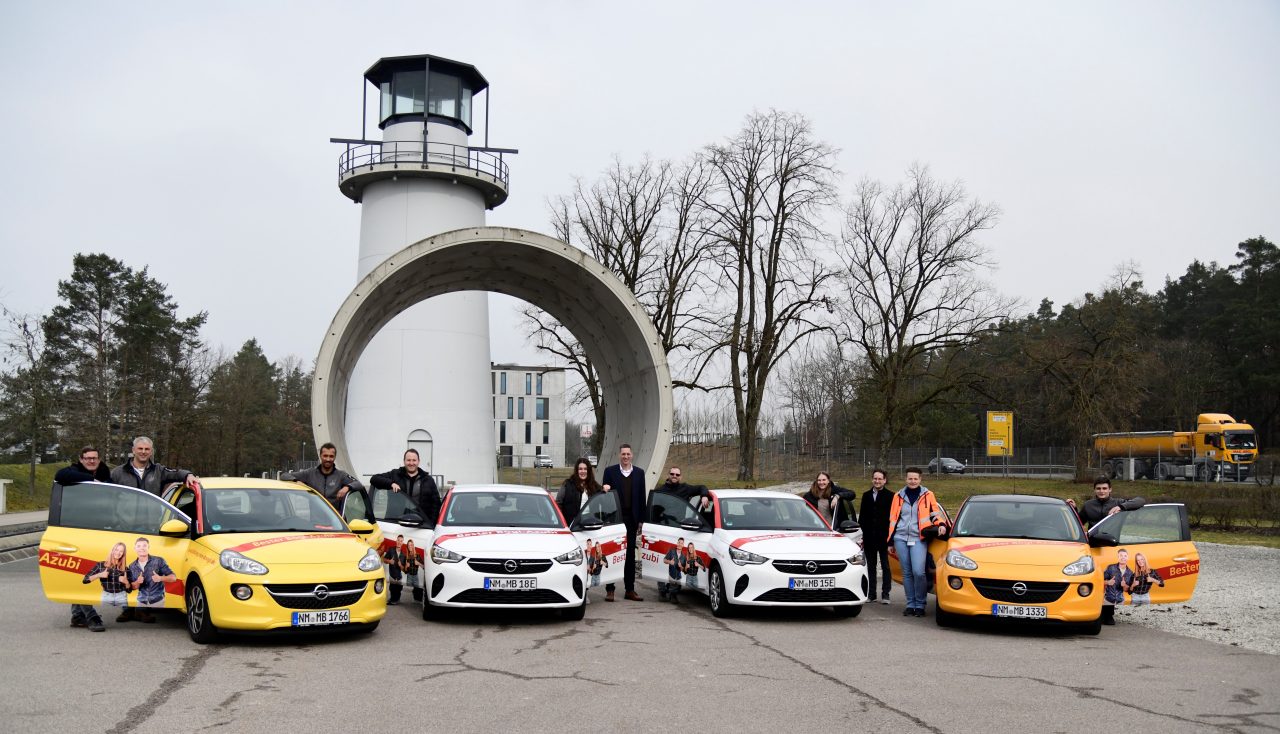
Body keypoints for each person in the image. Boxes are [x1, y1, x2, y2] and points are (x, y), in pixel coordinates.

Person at [55, 446, 113, 631]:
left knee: (85, 569)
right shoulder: (73, 472)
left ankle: (77, 615)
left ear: (99, 459)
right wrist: (92, 480)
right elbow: (60, 475)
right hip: (75, 528)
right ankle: (91, 616)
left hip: (97, 527)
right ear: (81, 459)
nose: (91, 461)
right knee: (83, 571)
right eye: (87, 458)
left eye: (94, 458)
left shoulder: (105, 473)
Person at [887, 467, 950, 618]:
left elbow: (935, 513)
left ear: (920, 479)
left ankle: (920, 604)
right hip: (900, 538)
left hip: (918, 538)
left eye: (915, 479)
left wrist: (941, 524)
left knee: (918, 572)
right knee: (907, 573)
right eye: (910, 478)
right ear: (906, 479)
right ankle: (910, 604)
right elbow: (893, 519)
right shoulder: (898, 496)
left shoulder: (928, 495)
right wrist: (890, 542)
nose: (912, 481)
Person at [601, 444, 647, 602]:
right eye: (623, 454)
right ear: (619, 455)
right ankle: (610, 589)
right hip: (615, 520)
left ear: (632, 455)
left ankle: (630, 589)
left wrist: (641, 519)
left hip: (632, 520)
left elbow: (642, 498)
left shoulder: (640, 473)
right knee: (613, 553)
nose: (626, 457)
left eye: (628, 454)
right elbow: (605, 497)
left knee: (629, 555)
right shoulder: (610, 472)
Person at [109, 436, 199, 496]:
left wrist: (188, 475)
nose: (143, 452)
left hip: (152, 523)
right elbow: (107, 496)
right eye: (140, 448)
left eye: (147, 449)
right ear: (133, 450)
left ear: (151, 452)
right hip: (125, 524)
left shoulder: (159, 471)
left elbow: (176, 473)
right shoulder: (118, 473)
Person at [370, 449, 440, 525]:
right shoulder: (395, 474)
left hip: (421, 526)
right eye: (408, 460)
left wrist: (431, 524)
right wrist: (391, 483)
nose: (411, 463)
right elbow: (374, 479)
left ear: (418, 461)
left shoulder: (428, 480)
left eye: (414, 460)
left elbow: (436, 505)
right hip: (396, 523)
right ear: (404, 461)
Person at [292, 442, 365, 508]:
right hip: (315, 520)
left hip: (334, 520)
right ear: (320, 456)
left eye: (331, 456)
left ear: (334, 457)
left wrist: (347, 487)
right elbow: (284, 476)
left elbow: (358, 484)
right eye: (325, 456)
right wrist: (296, 481)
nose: (328, 459)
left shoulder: (341, 475)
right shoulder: (310, 473)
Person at [77, 541, 129, 632]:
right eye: (116, 549)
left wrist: (126, 582)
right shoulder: (101, 565)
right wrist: (99, 575)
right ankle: (90, 618)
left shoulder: (125, 569)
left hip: (121, 596)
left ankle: (133, 612)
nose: (118, 553)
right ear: (112, 550)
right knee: (79, 596)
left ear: (123, 554)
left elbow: (129, 590)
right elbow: (85, 580)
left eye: (121, 551)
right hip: (106, 595)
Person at [859, 468, 894, 605]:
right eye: (875, 478)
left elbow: (893, 518)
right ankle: (871, 594)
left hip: (884, 538)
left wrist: (891, 538)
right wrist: (862, 534)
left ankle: (886, 594)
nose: (877, 481)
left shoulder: (891, 496)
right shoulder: (866, 495)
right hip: (869, 537)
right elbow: (862, 517)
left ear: (884, 480)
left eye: (880, 479)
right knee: (871, 566)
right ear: (872, 479)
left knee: (886, 566)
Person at [124, 537, 176, 623]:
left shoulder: (159, 561)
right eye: (139, 546)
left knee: (159, 625)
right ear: (135, 548)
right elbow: (133, 587)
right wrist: (138, 582)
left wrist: (160, 578)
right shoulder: (132, 566)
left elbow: (173, 577)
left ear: (148, 547)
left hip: (157, 601)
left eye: (144, 545)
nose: (142, 548)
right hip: (141, 602)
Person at [1067, 477, 1145, 527]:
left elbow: (1140, 500)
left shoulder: (1118, 502)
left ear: (1110, 489)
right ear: (1094, 490)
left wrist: (1120, 507)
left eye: (1104, 488)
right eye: (1098, 488)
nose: (1101, 491)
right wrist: (1074, 509)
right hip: (1092, 543)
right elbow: (1078, 523)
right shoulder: (1088, 505)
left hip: (1113, 543)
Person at [1102, 547, 1135, 624]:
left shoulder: (1130, 572)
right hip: (1108, 599)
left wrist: (1124, 586)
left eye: (1125, 556)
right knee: (1106, 621)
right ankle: (1105, 615)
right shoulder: (1111, 568)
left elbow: (1128, 590)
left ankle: (1109, 616)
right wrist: (1107, 582)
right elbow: (1099, 580)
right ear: (1118, 557)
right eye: (1121, 555)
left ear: (1128, 557)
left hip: (1120, 600)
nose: (1123, 557)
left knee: (1110, 622)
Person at [661, 538, 685, 603]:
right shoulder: (672, 552)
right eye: (679, 542)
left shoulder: (683, 556)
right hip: (671, 574)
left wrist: (681, 567)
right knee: (667, 586)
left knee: (677, 587)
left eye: (681, 543)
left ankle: (673, 594)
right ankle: (664, 592)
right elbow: (664, 560)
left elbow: (684, 570)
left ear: (683, 545)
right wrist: (669, 562)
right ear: (677, 543)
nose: (680, 544)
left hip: (678, 577)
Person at [384, 535, 405, 605]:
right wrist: (389, 561)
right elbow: (384, 559)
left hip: (399, 577)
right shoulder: (391, 550)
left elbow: (404, 569)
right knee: (392, 590)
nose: (399, 542)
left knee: (397, 592)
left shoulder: (403, 554)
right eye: (398, 540)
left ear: (402, 543)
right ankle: (392, 599)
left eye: (401, 541)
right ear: (396, 541)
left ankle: (395, 599)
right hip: (392, 575)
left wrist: (400, 565)